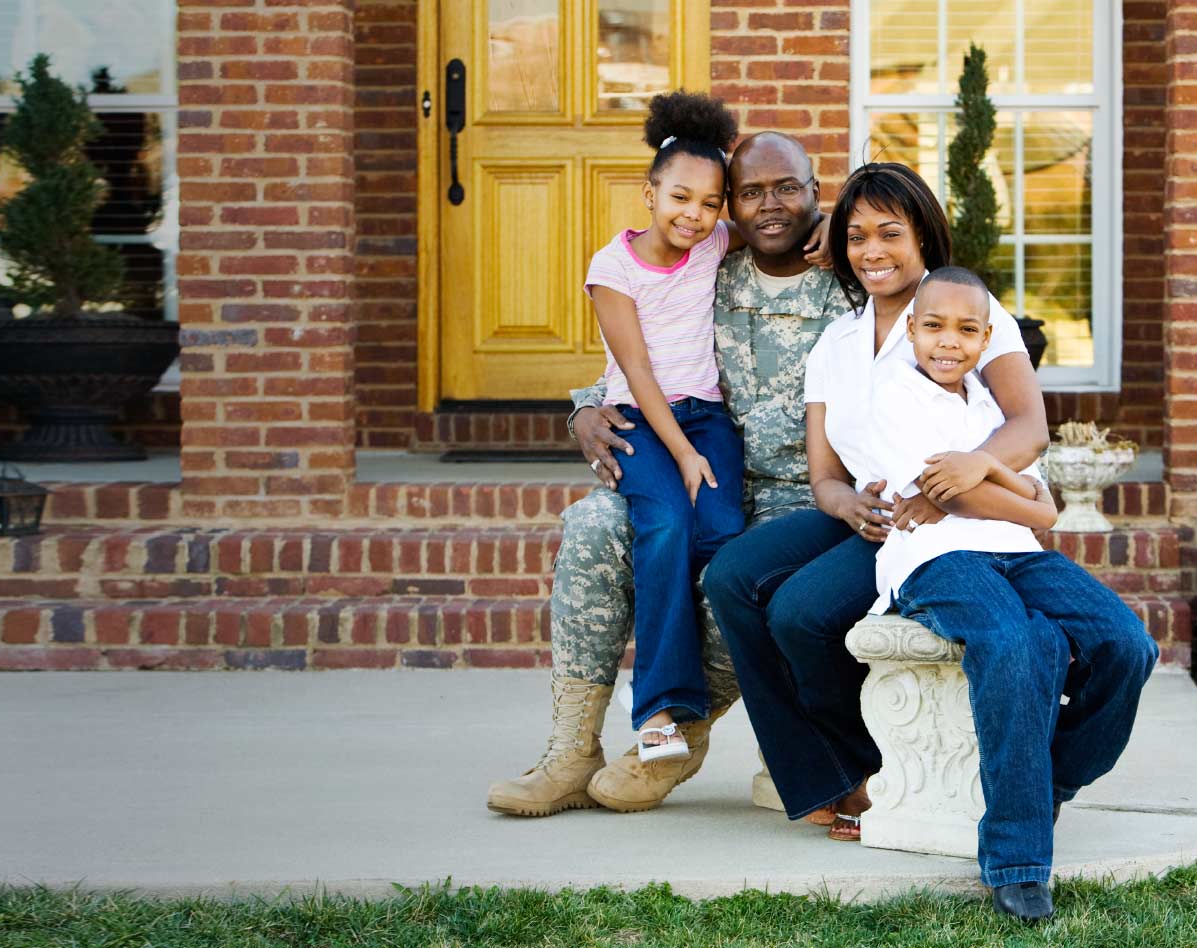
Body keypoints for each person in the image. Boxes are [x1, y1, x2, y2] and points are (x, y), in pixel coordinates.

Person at [486, 130, 851, 816]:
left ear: (814, 191)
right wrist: (585, 412)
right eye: (750, 194)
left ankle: (678, 731)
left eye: (790, 190)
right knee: (594, 526)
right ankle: (570, 750)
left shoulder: (850, 275)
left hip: (806, 493)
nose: (769, 207)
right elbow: (640, 348)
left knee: (727, 569)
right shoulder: (712, 261)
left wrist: (841, 222)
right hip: (693, 459)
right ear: (730, 209)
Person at [700, 163, 1049, 840]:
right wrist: (845, 505)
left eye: (889, 233)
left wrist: (963, 473)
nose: (871, 251)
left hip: (943, 524)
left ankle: (871, 774)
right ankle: (820, 772)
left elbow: (1028, 428)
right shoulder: (836, 340)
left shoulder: (967, 318)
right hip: (869, 518)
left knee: (800, 612)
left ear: (922, 236)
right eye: (855, 236)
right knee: (732, 576)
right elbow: (824, 473)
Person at [852, 266, 1157, 921]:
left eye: (966, 331)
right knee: (1014, 643)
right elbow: (962, 497)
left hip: (1019, 555)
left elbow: (1043, 511)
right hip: (936, 560)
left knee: (1127, 644)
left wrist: (982, 463)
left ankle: (1050, 779)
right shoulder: (892, 394)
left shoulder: (989, 406)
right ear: (910, 328)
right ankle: (1018, 863)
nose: (947, 342)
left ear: (986, 338)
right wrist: (985, 484)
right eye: (932, 326)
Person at [582, 90, 747, 763]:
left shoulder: (714, 244)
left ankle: (692, 687)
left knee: (722, 534)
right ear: (649, 192)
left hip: (707, 419)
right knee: (666, 528)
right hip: (643, 425)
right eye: (681, 197)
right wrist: (678, 452)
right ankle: (655, 708)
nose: (695, 215)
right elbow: (638, 371)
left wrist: (825, 227)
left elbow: (781, 227)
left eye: (710, 204)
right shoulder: (611, 268)